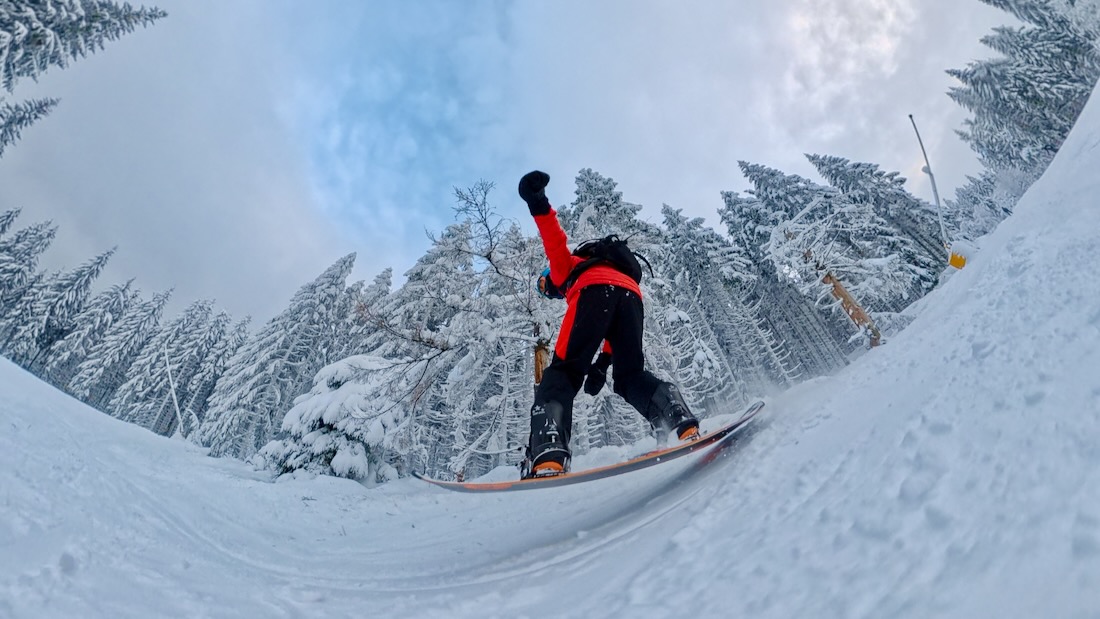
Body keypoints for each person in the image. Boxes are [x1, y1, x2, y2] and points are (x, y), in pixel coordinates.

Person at [519, 169, 700, 478]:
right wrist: (602, 364)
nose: (551, 293)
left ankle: (548, 451)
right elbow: (610, 327)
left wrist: (537, 201)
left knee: (562, 372)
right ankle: (677, 420)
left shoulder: (568, 269)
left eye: (547, 289)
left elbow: (554, 241)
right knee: (630, 376)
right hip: (631, 295)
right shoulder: (610, 266)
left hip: (593, 292)